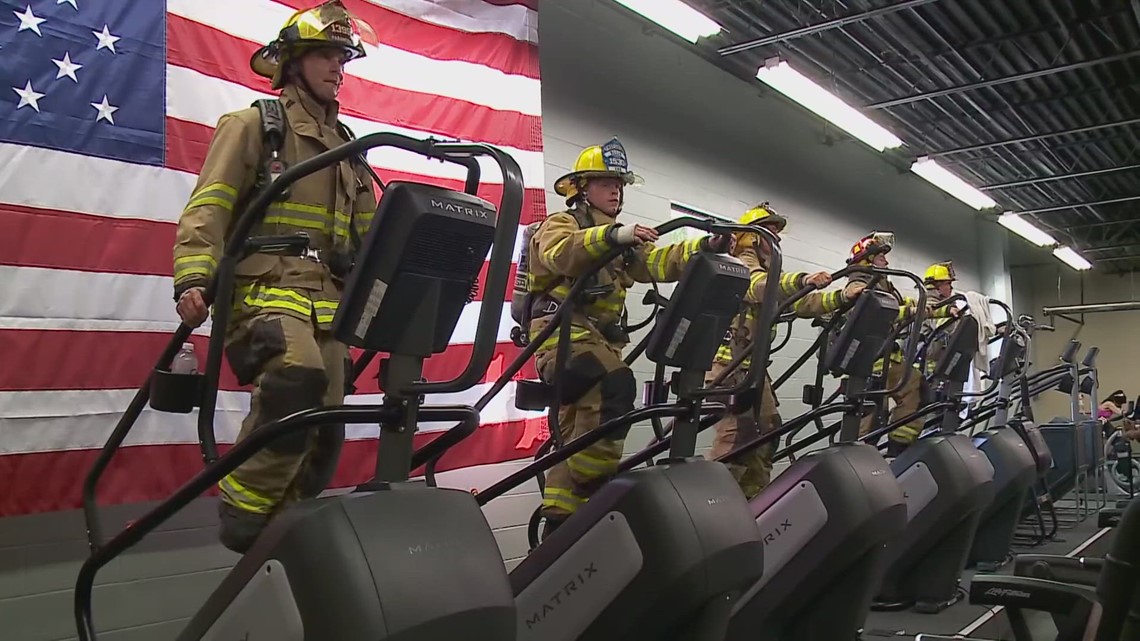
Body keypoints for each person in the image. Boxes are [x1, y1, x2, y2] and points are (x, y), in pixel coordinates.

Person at [171, 0, 379, 553]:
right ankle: (243, 516)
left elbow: (369, 241)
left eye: (344, 57)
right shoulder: (253, 127)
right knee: (296, 379)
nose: (339, 67)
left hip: (328, 307)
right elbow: (209, 207)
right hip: (264, 294)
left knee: (326, 428)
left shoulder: (352, 151)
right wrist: (193, 276)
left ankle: (284, 537)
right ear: (293, 62)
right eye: (327, 56)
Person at [527, 137, 728, 538]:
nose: (615, 189)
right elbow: (559, 255)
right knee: (614, 382)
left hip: (598, 342)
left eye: (619, 183)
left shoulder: (622, 239)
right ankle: (596, 487)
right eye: (605, 182)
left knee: (578, 425)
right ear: (583, 188)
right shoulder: (564, 224)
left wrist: (704, 246)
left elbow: (656, 261)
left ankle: (562, 519)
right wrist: (615, 236)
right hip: (559, 338)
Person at [704, 203, 865, 498]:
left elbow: (802, 303)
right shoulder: (739, 262)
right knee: (735, 438)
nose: (776, 237)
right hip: (729, 368)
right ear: (751, 237)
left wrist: (842, 296)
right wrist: (803, 280)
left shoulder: (769, 272)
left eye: (778, 231)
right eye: (770, 230)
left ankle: (751, 502)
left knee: (766, 433)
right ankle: (711, 504)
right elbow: (759, 287)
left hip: (751, 370)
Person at [845, 233, 955, 454]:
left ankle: (898, 454)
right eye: (881, 257)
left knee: (917, 391)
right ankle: (858, 459)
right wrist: (912, 311)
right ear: (868, 260)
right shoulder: (859, 282)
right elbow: (879, 309)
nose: (886, 261)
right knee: (871, 416)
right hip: (867, 359)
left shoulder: (883, 282)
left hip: (886, 357)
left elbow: (907, 303)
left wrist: (944, 310)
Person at [921, 261, 959, 375]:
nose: (951, 288)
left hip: (940, 361)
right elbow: (945, 326)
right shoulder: (928, 304)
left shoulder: (944, 304)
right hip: (928, 365)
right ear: (936, 286)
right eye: (948, 284)